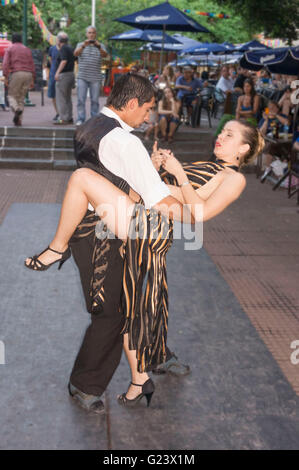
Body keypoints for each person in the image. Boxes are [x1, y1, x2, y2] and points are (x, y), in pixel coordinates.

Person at [24, 105, 264, 409]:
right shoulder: (208, 164)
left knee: (84, 180)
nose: (220, 136)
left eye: (229, 135)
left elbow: (198, 214)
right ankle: (140, 380)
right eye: (222, 131)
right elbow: (153, 194)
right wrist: (151, 168)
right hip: (141, 221)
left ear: (243, 148)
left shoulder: (234, 178)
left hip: (150, 229)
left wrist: (179, 175)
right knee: (134, 307)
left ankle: (58, 248)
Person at [25, 74, 190, 413]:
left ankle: (154, 356)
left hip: (102, 229)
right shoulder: (126, 142)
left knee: (137, 299)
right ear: (131, 104)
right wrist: (196, 211)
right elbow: (159, 201)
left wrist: (148, 168)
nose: (148, 117)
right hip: (102, 239)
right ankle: (83, 384)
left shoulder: (88, 126)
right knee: (111, 313)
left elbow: (114, 180)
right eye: (146, 110)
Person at [74, 26, 108, 126]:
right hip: (82, 76)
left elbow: (105, 55)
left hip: (96, 77)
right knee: (81, 99)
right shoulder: (80, 44)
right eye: (89, 32)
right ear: (86, 34)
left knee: (95, 100)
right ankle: (81, 119)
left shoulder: (100, 45)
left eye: (93, 32)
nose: (91, 34)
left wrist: (99, 47)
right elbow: (75, 54)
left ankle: (94, 120)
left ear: (95, 34)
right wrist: (84, 46)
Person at [2, 32, 35, 126]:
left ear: (12, 39)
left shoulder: (10, 49)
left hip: (17, 73)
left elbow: (5, 64)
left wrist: (5, 76)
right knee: (21, 98)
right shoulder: (27, 49)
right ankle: (19, 120)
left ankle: (16, 109)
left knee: (11, 96)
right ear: (21, 39)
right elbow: (32, 64)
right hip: (28, 74)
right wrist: (33, 78)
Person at [258, 100, 290, 181]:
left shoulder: (282, 116)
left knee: (287, 147)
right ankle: (269, 168)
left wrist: (276, 115)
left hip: (282, 141)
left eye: (272, 107)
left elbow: (287, 123)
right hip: (269, 142)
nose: (270, 109)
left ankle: (278, 169)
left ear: (277, 109)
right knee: (271, 145)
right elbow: (261, 133)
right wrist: (266, 120)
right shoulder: (265, 119)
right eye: (269, 107)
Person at [54, 33, 75, 125]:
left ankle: (63, 118)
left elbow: (64, 61)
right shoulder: (70, 48)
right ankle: (69, 117)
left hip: (64, 75)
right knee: (67, 97)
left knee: (61, 97)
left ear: (59, 40)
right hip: (71, 74)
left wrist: (57, 73)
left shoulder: (63, 48)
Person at [47, 37, 60, 122]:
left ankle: (62, 113)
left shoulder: (65, 48)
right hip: (53, 74)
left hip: (62, 75)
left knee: (62, 95)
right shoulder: (52, 49)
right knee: (53, 95)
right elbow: (51, 60)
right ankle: (58, 112)